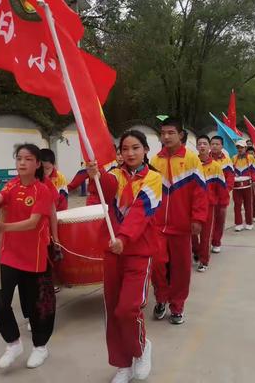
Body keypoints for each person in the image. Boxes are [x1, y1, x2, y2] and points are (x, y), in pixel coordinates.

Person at [86, 130, 162, 383]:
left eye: (135, 148)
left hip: (138, 253)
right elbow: (103, 191)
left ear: (145, 151)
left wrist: (124, 238)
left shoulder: (153, 179)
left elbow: (141, 212)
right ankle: (122, 364)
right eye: (125, 149)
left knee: (128, 309)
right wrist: (94, 175)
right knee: (112, 310)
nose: (130, 153)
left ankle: (141, 349)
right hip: (112, 253)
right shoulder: (114, 176)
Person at [0, 144, 56, 371]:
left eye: (28, 159)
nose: (22, 163)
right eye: (19, 158)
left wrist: (4, 226)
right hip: (10, 255)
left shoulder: (43, 190)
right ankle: (13, 343)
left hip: (34, 258)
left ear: (37, 164)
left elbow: (33, 223)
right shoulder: (11, 185)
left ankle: (40, 347)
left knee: (38, 307)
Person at [150, 118, 208, 325]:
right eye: (163, 133)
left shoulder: (192, 159)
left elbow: (201, 192)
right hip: (157, 226)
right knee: (156, 264)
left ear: (181, 135)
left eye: (171, 133)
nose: (166, 137)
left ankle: (177, 306)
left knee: (181, 269)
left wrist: (198, 218)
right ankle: (161, 299)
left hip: (182, 226)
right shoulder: (154, 161)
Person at [192, 136, 229, 272]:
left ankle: (204, 260)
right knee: (192, 234)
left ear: (209, 147)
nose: (202, 146)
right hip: (192, 206)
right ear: (196, 146)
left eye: (205, 144)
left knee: (206, 234)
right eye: (199, 143)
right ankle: (196, 250)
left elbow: (222, 189)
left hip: (209, 206)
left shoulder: (216, 167)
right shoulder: (191, 164)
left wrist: (223, 204)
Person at [210, 135, 235, 253]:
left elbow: (230, 178)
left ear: (222, 146)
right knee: (208, 220)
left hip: (222, 197)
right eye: (213, 144)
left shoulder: (226, 160)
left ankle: (216, 242)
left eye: (217, 144)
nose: (214, 146)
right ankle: (207, 241)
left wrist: (226, 190)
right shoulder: (204, 158)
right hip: (208, 196)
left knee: (219, 220)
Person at [232, 140, 255, 231]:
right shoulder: (233, 158)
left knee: (248, 204)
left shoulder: (251, 158)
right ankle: (238, 223)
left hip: (248, 185)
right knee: (237, 205)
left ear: (245, 148)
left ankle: (249, 222)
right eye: (238, 147)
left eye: (241, 147)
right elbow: (231, 171)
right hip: (236, 185)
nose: (240, 149)